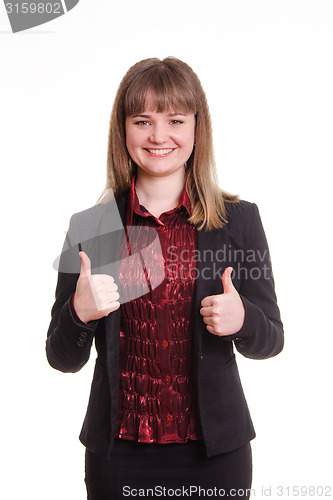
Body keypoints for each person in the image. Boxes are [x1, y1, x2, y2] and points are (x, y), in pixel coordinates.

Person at [46, 57, 284, 500]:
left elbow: (271, 338)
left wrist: (243, 320)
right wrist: (80, 314)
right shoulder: (94, 227)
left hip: (216, 457)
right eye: (143, 120)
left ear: (197, 128)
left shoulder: (236, 221)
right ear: (123, 130)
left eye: (175, 119)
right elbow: (61, 357)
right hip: (118, 457)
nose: (159, 136)